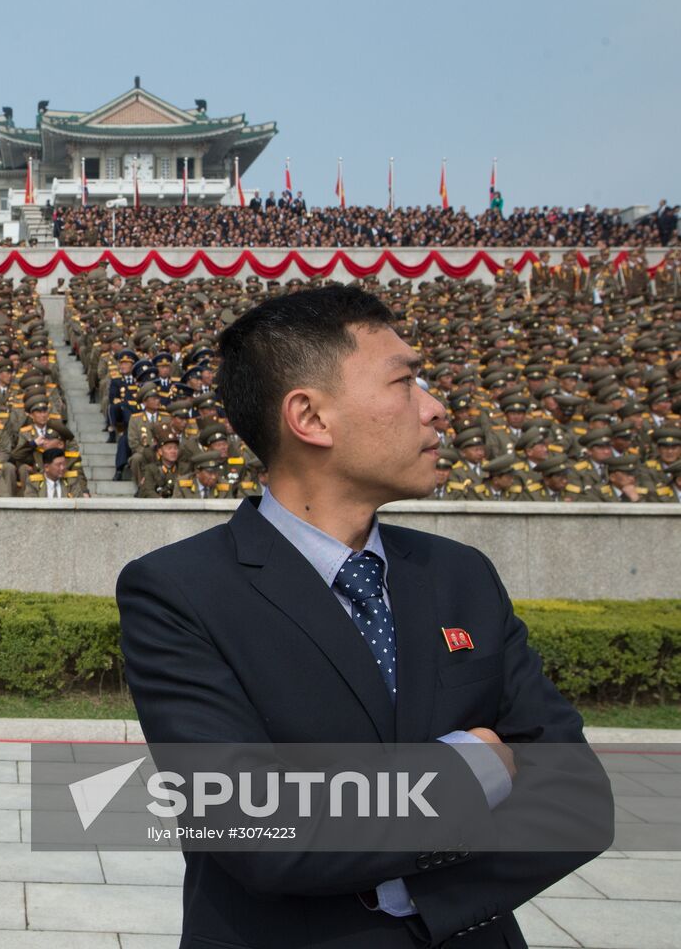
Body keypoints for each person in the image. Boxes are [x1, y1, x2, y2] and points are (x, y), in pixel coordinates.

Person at [118, 286, 609, 948]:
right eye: (407, 382)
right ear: (311, 418)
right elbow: (256, 833)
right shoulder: (181, 592)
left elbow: (577, 801)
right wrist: (471, 769)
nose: (437, 409)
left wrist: (419, 886)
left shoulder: (460, 577)